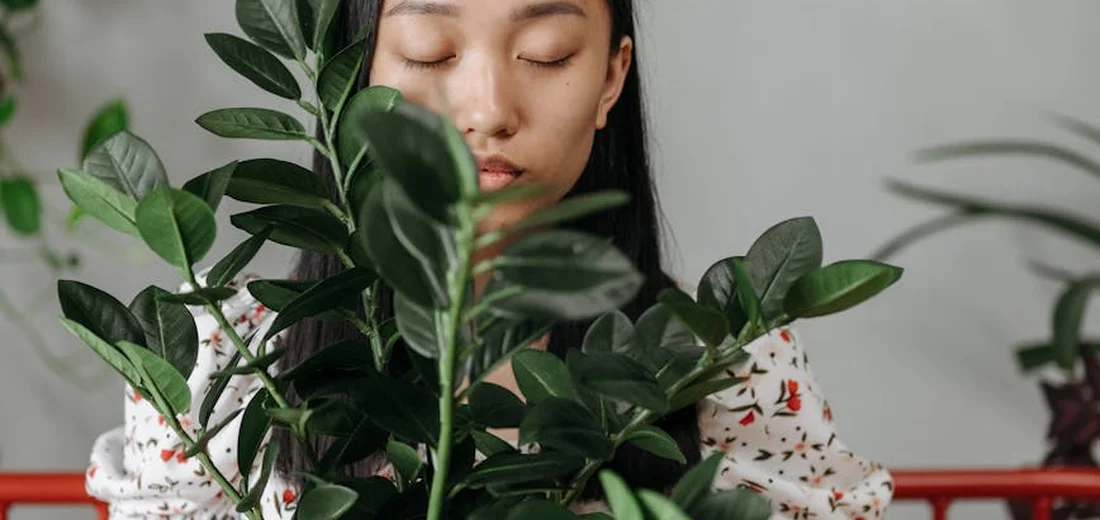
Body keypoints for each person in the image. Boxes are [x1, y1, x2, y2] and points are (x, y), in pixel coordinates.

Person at [85, 0, 894, 518]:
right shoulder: (217, 356)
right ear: (349, 79)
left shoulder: (730, 360)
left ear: (611, 78)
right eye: (430, 51)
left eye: (546, 53)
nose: (489, 109)